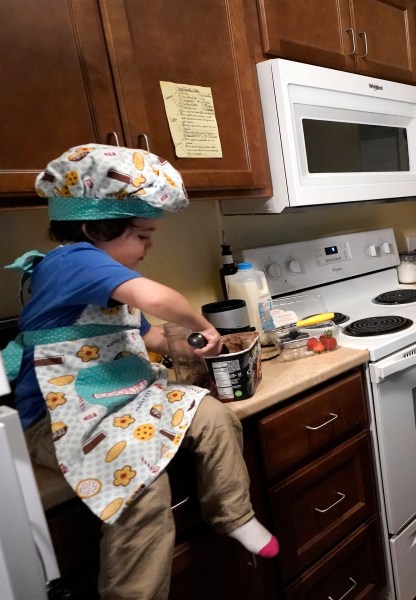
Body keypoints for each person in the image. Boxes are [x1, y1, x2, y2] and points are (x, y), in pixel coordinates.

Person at [1, 144, 279, 599]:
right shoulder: (72, 260)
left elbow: (145, 333)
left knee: (213, 417)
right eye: (143, 234)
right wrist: (202, 324)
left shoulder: (102, 275)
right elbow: (155, 300)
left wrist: (195, 349)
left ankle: (233, 515)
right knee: (140, 488)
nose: (150, 246)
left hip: (119, 400)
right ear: (96, 226)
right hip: (57, 419)